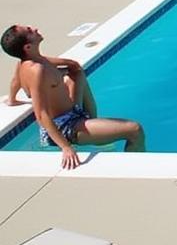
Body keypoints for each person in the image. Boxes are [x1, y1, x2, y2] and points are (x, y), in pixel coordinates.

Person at [2, 25, 145, 169]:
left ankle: (95, 127)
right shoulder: (36, 70)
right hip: (65, 127)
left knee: (77, 73)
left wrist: (12, 100)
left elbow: (16, 81)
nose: (34, 28)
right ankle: (136, 169)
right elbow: (41, 114)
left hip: (72, 112)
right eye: (29, 31)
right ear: (27, 47)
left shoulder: (29, 62)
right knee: (134, 129)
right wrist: (65, 147)